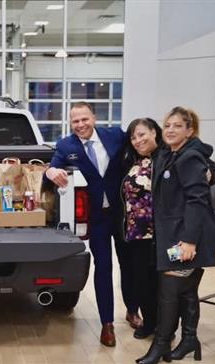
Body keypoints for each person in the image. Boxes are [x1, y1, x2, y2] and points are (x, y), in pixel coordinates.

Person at [46, 102, 140, 347]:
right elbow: (52, 165)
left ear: (94, 118)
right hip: (97, 218)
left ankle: (132, 310)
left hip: (123, 214)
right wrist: (50, 172)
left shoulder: (116, 135)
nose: (80, 125)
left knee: (130, 264)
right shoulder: (66, 145)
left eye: (84, 119)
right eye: (75, 121)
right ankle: (107, 324)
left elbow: (143, 150)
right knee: (104, 267)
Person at [137, 106, 215, 364]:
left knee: (168, 291)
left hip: (186, 238)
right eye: (168, 125)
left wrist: (190, 241)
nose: (170, 130)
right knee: (186, 292)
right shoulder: (169, 154)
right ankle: (189, 340)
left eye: (177, 126)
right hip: (174, 236)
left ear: (190, 130)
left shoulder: (188, 157)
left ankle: (161, 344)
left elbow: (197, 200)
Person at [121, 118, 164, 340]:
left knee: (161, 284)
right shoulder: (136, 161)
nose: (138, 140)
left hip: (160, 234)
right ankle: (149, 323)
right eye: (133, 137)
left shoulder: (167, 157)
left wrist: (210, 173)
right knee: (141, 281)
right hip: (136, 233)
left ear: (155, 132)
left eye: (142, 134)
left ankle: (165, 329)